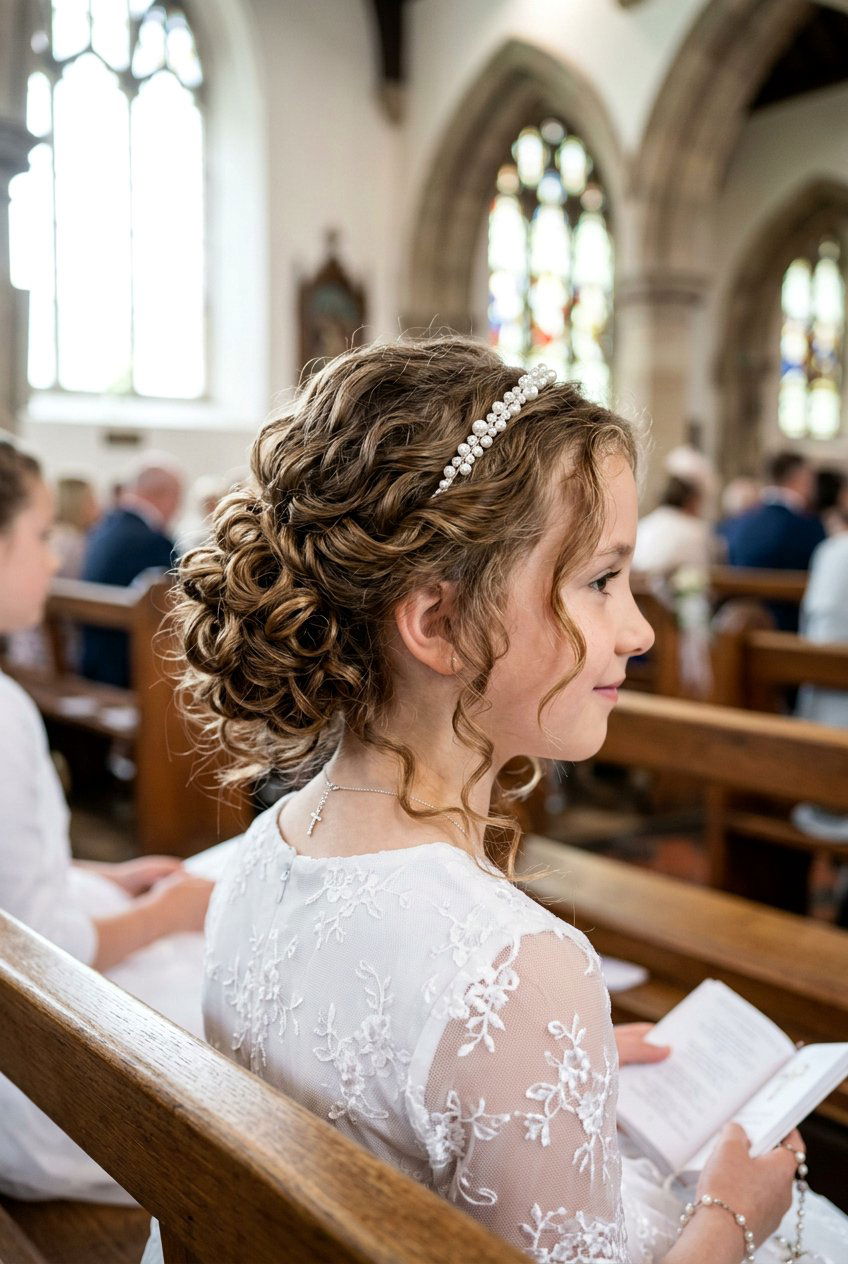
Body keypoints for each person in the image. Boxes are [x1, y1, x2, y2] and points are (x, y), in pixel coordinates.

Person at [139, 338, 846, 1263]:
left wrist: (546, 1071)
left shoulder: (269, 844)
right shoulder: (516, 965)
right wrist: (733, 1210)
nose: (636, 630)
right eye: (599, 581)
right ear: (438, 624)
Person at [0, 435, 216, 1203]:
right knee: (251, 1023)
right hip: (33, 1092)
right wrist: (165, 913)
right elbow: (44, 951)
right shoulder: (4, 716)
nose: (55, 559)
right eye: (35, 537)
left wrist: (102, 873)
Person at [80, 456, 183, 686]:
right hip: (125, 672)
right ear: (166, 495)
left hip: (93, 662)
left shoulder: (104, 529)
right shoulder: (151, 541)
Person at [722, 452, 826, 631]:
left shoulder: (738, 522)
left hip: (738, 628)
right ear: (799, 478)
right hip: (788, 636)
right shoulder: (808, 528)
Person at [633, 476, 711, 577]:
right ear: (690, 501)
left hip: (637, 587)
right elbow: (701, 573)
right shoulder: (695, 530)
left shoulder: (644, 524)